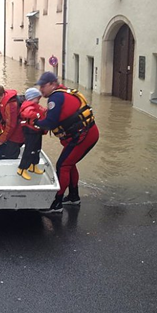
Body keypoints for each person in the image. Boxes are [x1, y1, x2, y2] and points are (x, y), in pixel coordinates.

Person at [34, 72, 99, 212]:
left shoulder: (55, 98)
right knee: (69, 163)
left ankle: (56, 203)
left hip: (83, 137)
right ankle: (73, 197)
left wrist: (34, 122)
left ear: (52, 84)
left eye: (43, 86)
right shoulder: (62, 93)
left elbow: (50, 123)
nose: (41, 90)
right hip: (86, 134)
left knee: (63, 165)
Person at [17, 88, 48, 180]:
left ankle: (33, 165)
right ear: (32, 98)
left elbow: (42, 110)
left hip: (37, 130)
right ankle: (22, 169)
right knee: (29, 150)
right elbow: (27, 113)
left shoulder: (36, 106)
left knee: (37, 149)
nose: (39, 100)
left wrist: (46, 111)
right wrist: (37, 115)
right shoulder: (28, 106)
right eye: (37, 98)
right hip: (30, 131)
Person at [0, 84, 25, 159]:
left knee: (10, 155)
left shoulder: (10, 106)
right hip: (12, 131)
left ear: (1, 96)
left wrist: (1, 140)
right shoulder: (5, 100)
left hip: (17, 133)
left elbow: (11, 126)